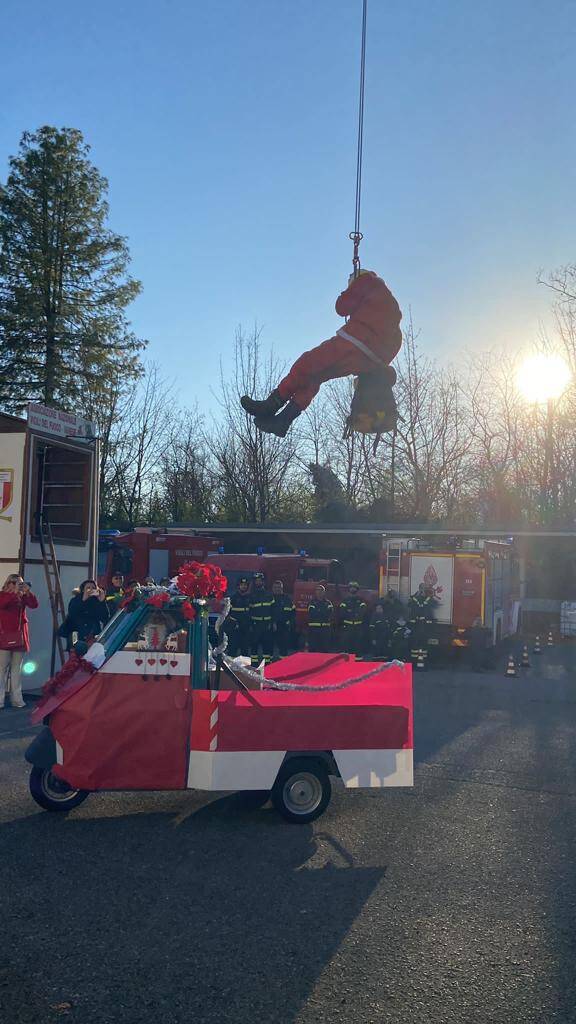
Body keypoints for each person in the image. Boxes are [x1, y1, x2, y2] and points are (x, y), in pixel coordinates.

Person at [240, 269, 402, 437]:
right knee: (315, 376)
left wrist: (347, 293)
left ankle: (271, 405)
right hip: (370, 357)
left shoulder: (367, 281)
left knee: (306, 364)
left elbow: (342, 307)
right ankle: (283, 421)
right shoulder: (388, 304)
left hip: (356, 342)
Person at [0, 575, 38, 709]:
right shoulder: (3, 595)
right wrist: (13, 593)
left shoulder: (22, 596)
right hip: (4, 637)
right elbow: (2, 604)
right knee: (1, 670)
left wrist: (27, 592)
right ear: (9, 583)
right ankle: (0, 700)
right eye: (17, 583)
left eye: (21, 583)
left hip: (19, 637)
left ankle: (17, 699)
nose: (19, 586)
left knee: (16, 670)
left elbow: (34, 605)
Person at [60, 579, 108, 651]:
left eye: (93, 588)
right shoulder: (75, 600)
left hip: (92, 635)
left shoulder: (97, 601)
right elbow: (72, 613)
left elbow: (105, 617)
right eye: (88, 588)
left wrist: (102, 602)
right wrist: (83, 599)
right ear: (83, 590)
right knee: (75, 658)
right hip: (76, 635)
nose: (91, 590)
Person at [248, 572, 274, 665]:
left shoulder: (269, 595)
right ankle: (254, 667)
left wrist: (272, 623)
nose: (258, 582)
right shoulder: (251, 596)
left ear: (263, 582)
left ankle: (268, 667)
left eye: (260, 581)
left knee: (267, 647)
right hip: (256, 625)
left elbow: (273, 610)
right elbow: (249, 612)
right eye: (256, 581)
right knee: (254, 647)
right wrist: (250, 625)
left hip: (267, 625)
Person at [338, 581, 367, 657]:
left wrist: (350, 612)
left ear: (357, 589)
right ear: (349, 589)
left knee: (358, 646)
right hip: (347, 627)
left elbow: (363, 613)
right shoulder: (345, 600)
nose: (352, 589)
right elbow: (342, 613)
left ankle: (358, 663)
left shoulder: (361, 600)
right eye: (351, 588)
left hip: (358, 627)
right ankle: (346, 664)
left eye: (354, 588)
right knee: (346, 646)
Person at [271, 580, 296, 658]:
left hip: (284, 627)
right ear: (272, 588)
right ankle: (270, 666)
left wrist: (289, 623)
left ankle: (282, 666)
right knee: (269, 648)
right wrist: (272, 622)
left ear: (282, 588)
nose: (277, 589)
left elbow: (293, 612)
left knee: (283, 649)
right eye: (275, 587)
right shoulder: (268, 598)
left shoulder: (287, 599)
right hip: (271, 626)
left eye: (279, 587)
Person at [228, 576, 252, 657]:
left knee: (245, 648)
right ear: (238, 586)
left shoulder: (250, 597)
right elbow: (228, 612)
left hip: (246, 626)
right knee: (232, 647)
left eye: (245, 585)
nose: (244, 586)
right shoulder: (233, 597)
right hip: (235, 627)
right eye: (242, 585)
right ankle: (231, 667)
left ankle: (244, 668)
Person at [307, 585, 333, 652]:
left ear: (324, 592)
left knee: (325, 649)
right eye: (317, 590)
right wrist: (323, 612)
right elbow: (312, 614)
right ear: (315, 592)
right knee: (312, 649)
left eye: (321, 590)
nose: (319, 592)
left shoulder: (328, 603)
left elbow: (329, 614)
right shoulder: (312, 602)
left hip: (325, 630)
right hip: (313, 630)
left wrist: (319, 611)